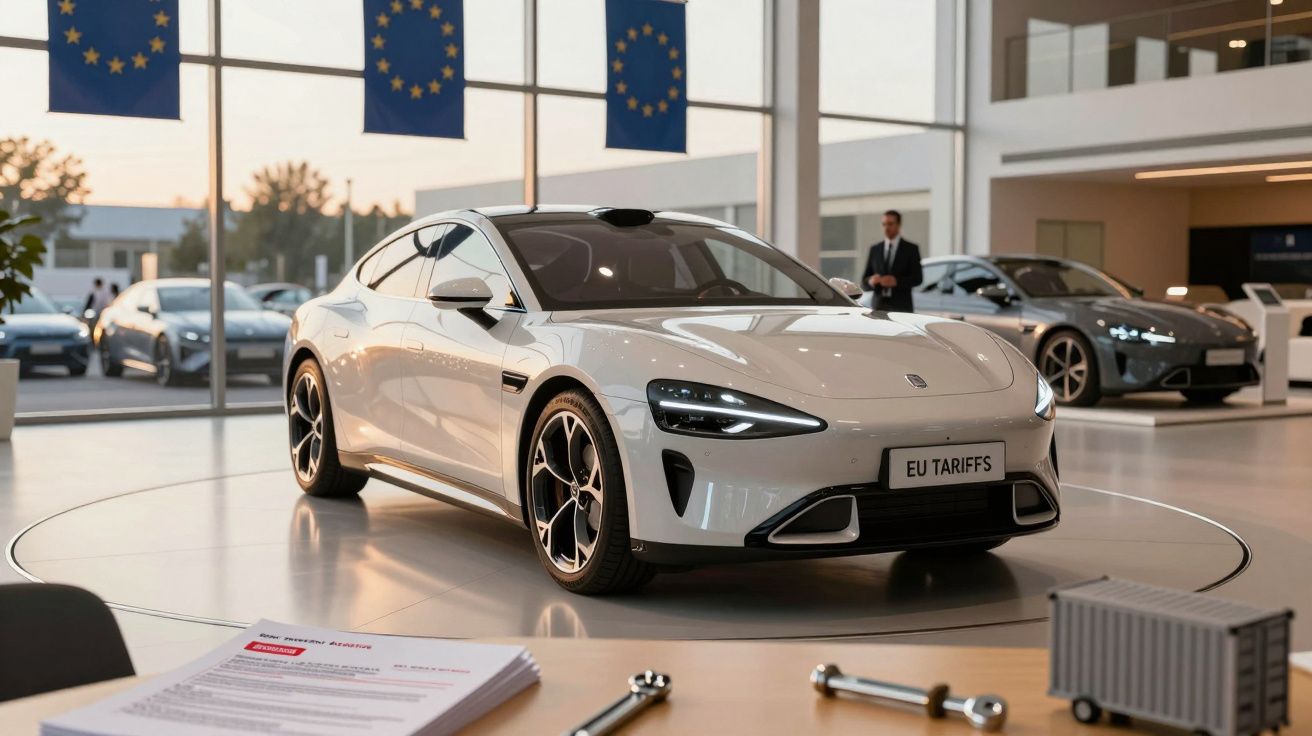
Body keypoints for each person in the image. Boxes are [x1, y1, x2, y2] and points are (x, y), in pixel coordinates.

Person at [861, 210, 923, 312]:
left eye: (890, 224)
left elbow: (918, 278)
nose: (886, 227)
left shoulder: (911, 249)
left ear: (898, 225)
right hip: (878, 307)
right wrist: (871, 281)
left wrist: (896, 281)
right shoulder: (875, 249)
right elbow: (864, 282)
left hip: (902, 307)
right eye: (884, 224)